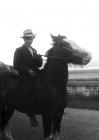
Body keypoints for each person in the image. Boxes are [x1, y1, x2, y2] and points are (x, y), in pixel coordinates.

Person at [13, 29, 43, 127]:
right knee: (31, 89)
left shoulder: (34, 50)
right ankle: (32, 115)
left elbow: (38, 65)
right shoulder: (19, 50)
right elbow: (16, 65)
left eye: (31, 39)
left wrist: (39, 59)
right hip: (24, 75)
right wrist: (28, 71)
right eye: (28, 39)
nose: (30, 41)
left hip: (35, 74)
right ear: (24, 39)